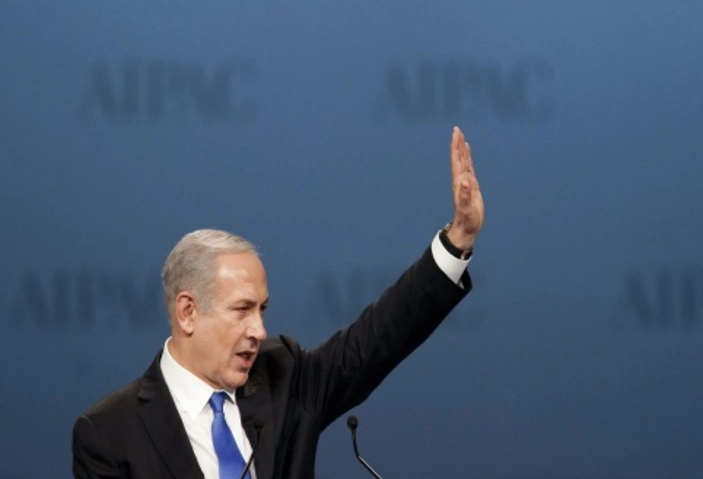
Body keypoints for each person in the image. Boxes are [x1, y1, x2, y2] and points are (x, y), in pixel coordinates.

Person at [72, 127, 484, 479]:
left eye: (262, 310)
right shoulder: (109, 432)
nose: (259, 330)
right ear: (187, 311)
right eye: (242, 309)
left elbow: (378, 338)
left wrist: (458, 239)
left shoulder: (283, 378)